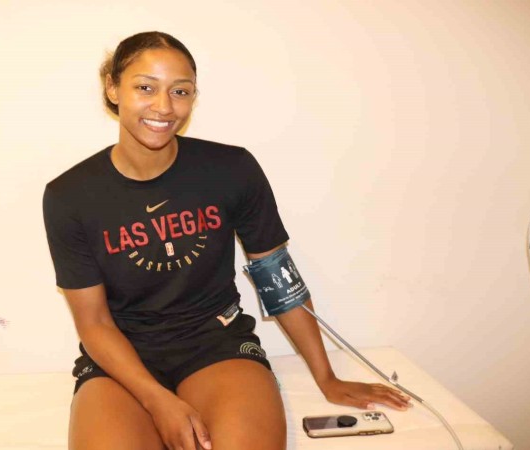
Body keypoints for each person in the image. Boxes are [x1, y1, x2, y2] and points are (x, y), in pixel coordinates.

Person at [43, 31, 410, 450]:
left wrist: (326, 377)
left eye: (180, 91)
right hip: (122, 358)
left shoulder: (231, 169)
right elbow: (93, 322)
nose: (164, 106)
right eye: (145, 87)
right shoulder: (70, 196)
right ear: (112, 88)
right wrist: (157, 400)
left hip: (216, 344)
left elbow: (277, 279)